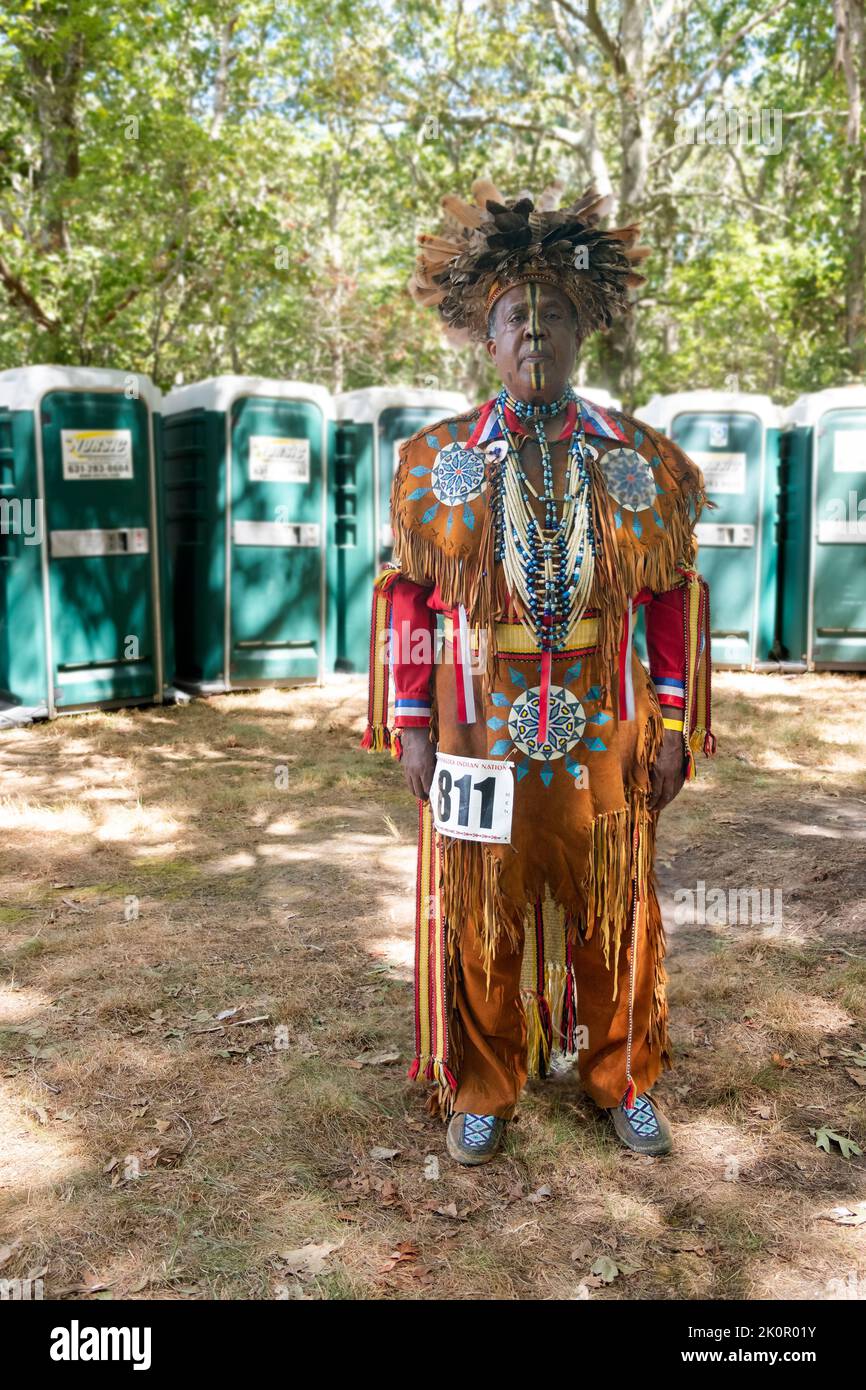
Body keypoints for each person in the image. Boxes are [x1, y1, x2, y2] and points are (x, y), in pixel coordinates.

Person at [361, 179, 715, 1165]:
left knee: (610, 910)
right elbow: (407, 599)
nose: (534, 334)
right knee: (483, 912)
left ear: (579, 334)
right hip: (477, 725)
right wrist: (413, 721)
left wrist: (676, 722)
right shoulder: (437, 461)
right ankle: (485, 1082)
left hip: (602, 725)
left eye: (553, 315)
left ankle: (618, 1074)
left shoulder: (635, 459)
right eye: (516, 316)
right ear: (488, 336)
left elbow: (672, 593)